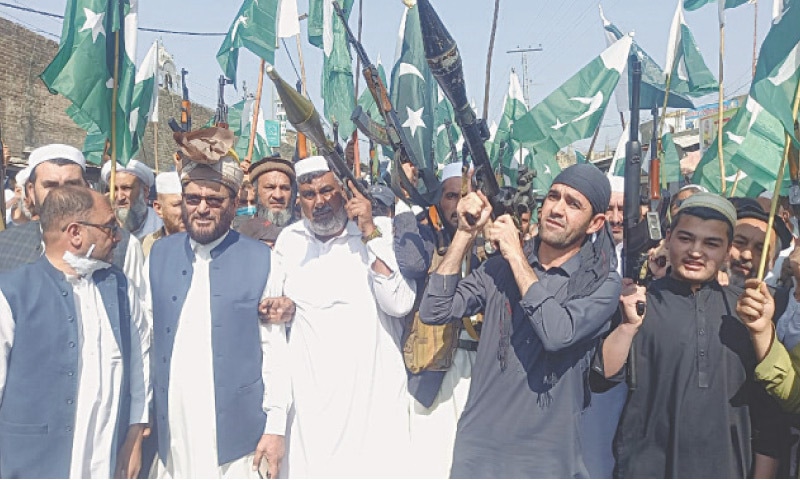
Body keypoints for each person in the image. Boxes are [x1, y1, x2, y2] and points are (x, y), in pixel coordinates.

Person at [420, 163, 622, 477]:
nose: (557, 209)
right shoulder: (499, 270)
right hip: (478, 454)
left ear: (595, 223)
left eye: (573, 204)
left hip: (546, 461)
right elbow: (434, 311)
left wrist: (515, 255)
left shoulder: (601, 283)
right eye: (554, 197)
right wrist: (464, 233)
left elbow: (557, 334)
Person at [595, 192, 788, 478]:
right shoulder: (638, 302)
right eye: (686, 238)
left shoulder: (748, 312)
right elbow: (601, 379)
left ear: (727, 251)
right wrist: (626, 326)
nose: (696, 251)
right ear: (669, 238)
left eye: (711, 243)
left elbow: (769, 418)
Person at [148, 129, 290, 478]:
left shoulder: (262, 259)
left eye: (214, 200)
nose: (202, 209)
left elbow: (274, 350)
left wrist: (276, 425)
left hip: (236, 436)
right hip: (174, 429)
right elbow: (144, 338)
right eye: (193, 198)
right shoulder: (158, 254)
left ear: (233, 202)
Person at [264, 155, 415, 477]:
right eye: (309, 194)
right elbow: (274, 324)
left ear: (345, 192)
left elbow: (399, 303)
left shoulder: (380, 231)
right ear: (298, 200)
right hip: (311, 416)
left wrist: (369, 231)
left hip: (374, 409)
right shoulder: (289, 242)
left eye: (327, 191)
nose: (319, 202)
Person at [0, 185, 150, 478]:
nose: (117, 237)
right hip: (29, 464)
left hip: (102, 461)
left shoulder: (120, 289)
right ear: (75, 233)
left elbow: (140, 368)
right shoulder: (12, 295)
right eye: (109, 228)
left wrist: (134, 436)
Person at [392, 161, 482, 478]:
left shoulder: (493, 237)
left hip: (482, 371)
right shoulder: (427, 234)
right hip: (436, 367)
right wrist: (402, 201)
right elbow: (413, 263)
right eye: (451, 196)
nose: (459, 205)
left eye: (466, 195)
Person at [0, 145, 147, 292]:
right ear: (31, 192)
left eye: (72, 184)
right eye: (50, 185)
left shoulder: (124, 246)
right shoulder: (5, 244)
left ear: (87, 188)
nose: (62, 195)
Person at [579, 173, 628, 478]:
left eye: (623, 209)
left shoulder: (655, 255)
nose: (616, 218)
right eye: (609, 209)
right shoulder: (581, 253)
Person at [238, 155, 296, 243]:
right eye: (270, 187)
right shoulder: (241, 235)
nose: (278, 195)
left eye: (284, 188)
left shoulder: (305, 234)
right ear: (256, 192)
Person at [101, 159, 162, 240]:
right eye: (114, 189)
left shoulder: (161, 226)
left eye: (126, 188)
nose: (119, 197)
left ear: (145, 191)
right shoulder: (102, 228)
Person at [142, 172, 185, 257]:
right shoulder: (147, 245)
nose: (186, 211)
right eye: (177, 205)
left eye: (190, 203)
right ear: (158, 208)